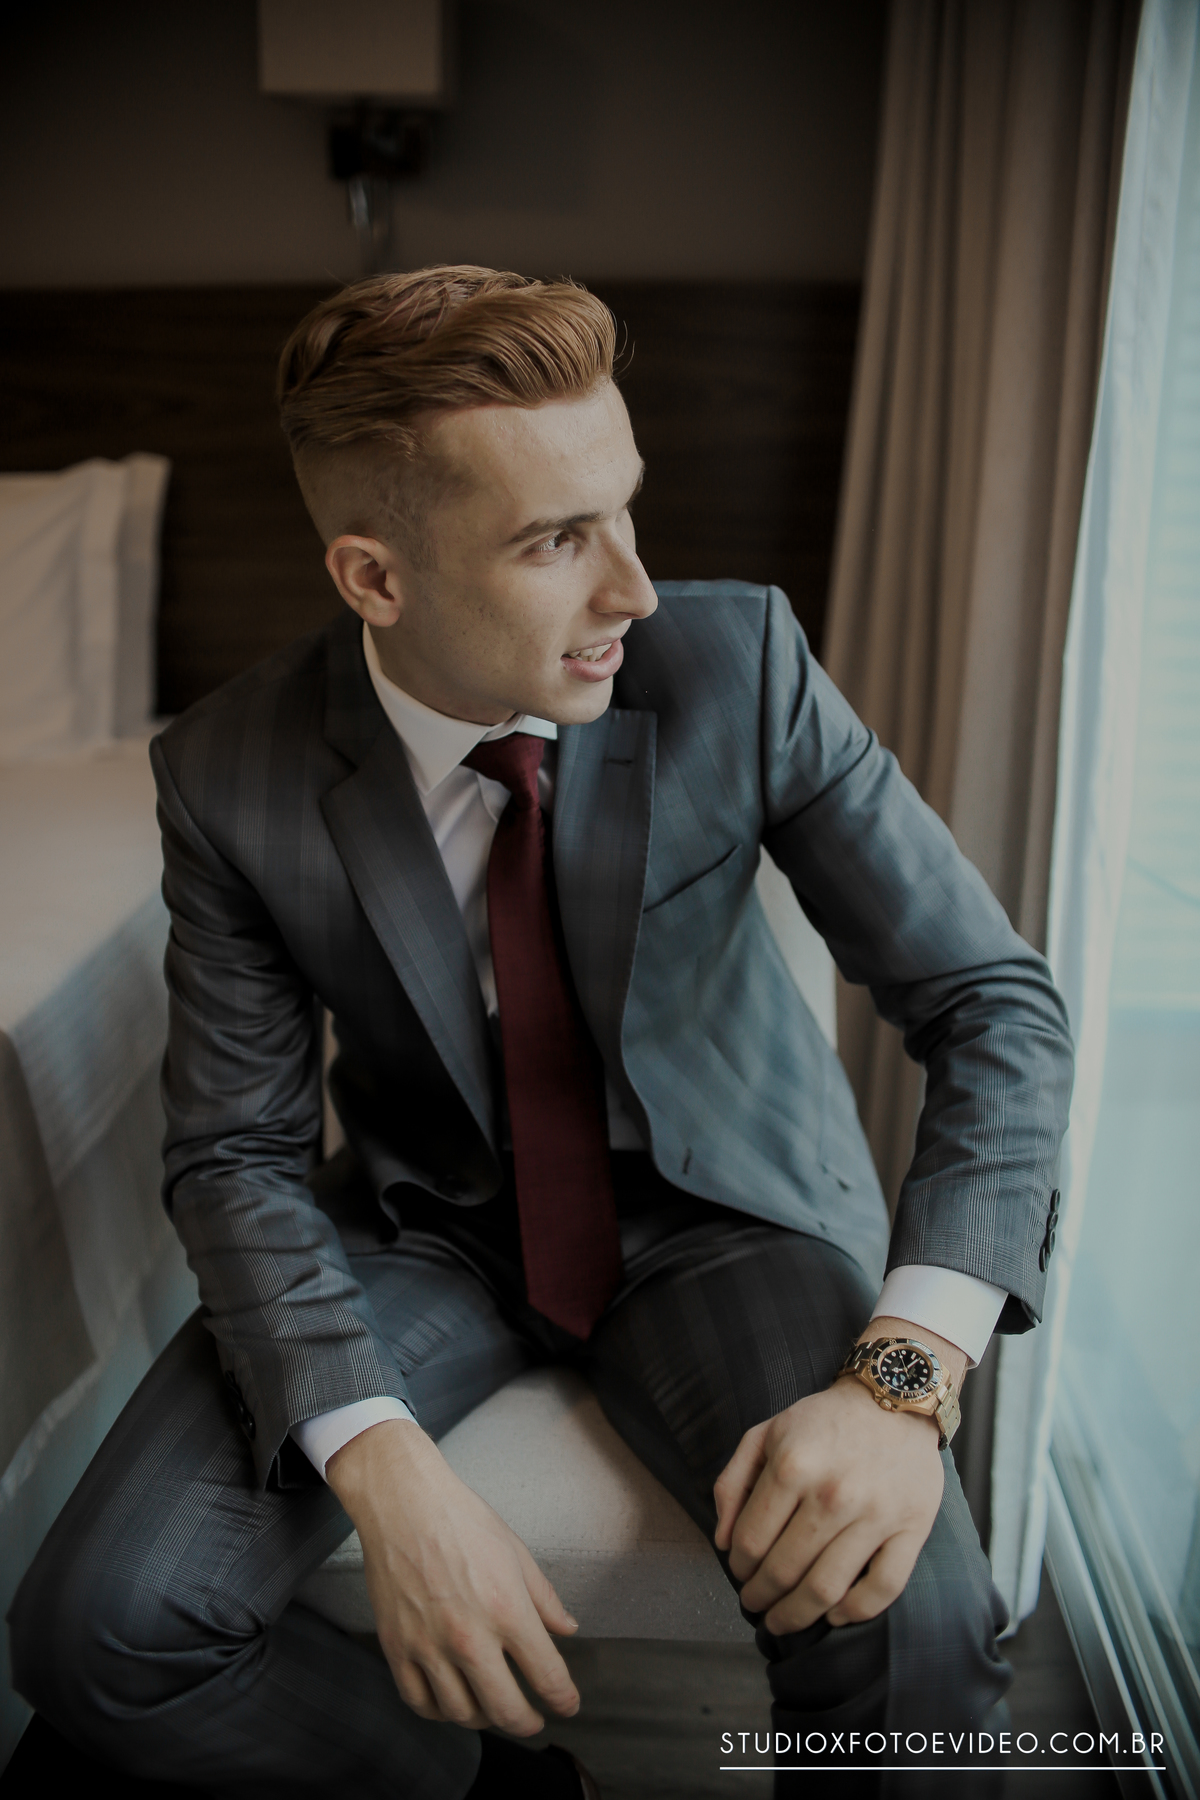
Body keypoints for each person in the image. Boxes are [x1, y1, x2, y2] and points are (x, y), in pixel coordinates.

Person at [9, 267, 1073, 1800]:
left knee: (913, 1632)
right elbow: (234, 1152)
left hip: (730, 1221)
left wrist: (904, 1377)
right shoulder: (230, 775)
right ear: (375, 578)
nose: (634, 587)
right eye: (557, 539)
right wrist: (387, 1473)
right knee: (97, 1631)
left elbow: (992, 1003)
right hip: (424, 1226)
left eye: (626, 509)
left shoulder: (738, 665)